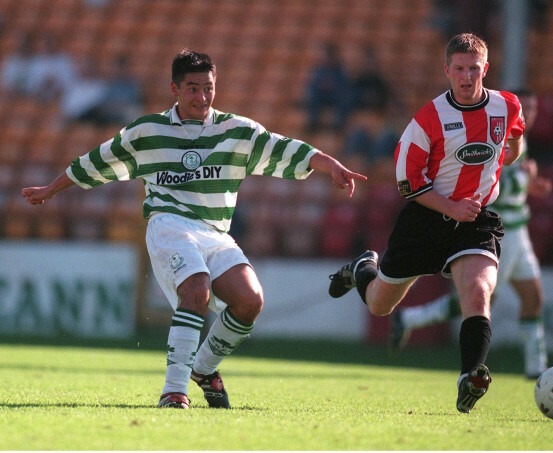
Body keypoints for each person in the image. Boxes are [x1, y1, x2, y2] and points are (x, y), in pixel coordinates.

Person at [22, 49, 367, 410]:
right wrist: (49, 189)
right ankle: (174, 390)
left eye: (208, 88)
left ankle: (203, 369)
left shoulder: (236, 130)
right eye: (192, 89)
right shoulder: (147, 131)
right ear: (174, 88)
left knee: (250, 301)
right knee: (196, 289)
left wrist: (330, 165)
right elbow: (95, 162)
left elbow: (284, 149)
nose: (201, 97)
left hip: (215, 233)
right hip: (168, 225)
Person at [328, 33, 525, 414]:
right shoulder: (427, 120)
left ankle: (470, 377)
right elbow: (409, 185)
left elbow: (513, 143)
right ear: (447, 71)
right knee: (379, 306)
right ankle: (362, 268)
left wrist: (494, 173)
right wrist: (452, 207)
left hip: (476, 220)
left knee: (479, 292)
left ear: (486, 68)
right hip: (427, 218)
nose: (467, 76)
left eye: (474, 68)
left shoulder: (506, 106)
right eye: (459, 69)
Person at [389, 88, 552, 379]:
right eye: (524, 107)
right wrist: (522, 182)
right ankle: (410, 318)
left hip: (520, 229)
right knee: (480, 299)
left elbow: (512, 178)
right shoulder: (493, 131)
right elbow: (487, 180)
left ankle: (536, 368)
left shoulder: (519, 138)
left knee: (533, 297)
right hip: (501, 228)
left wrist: (529, 186)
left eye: (533, 109)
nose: (528, 114)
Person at [304, 42, 353, 132]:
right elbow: (313, 83)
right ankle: (313, 123)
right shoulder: (319, 69)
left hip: (335, 95)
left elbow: (344, 84)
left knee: (345, 99)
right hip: (321, 94)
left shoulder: (339, 69)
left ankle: (339, 125)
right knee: (313, 96)